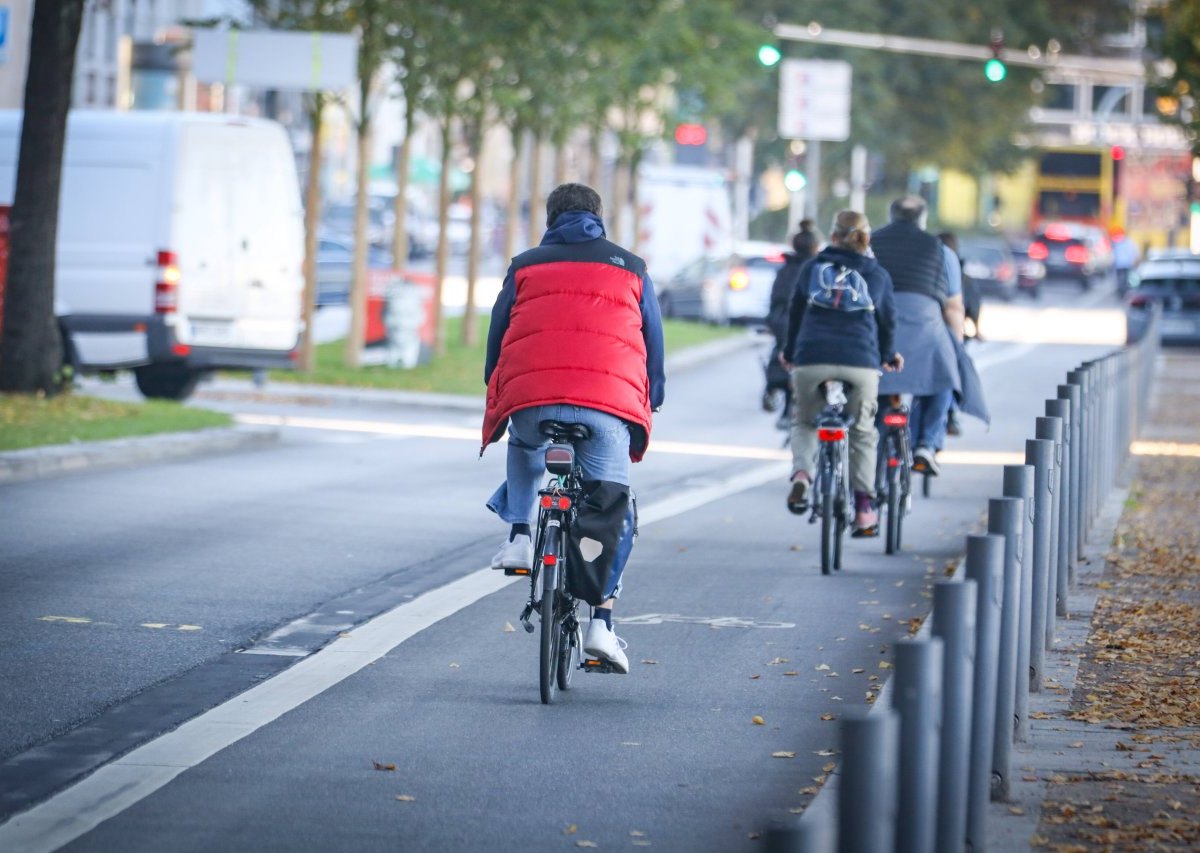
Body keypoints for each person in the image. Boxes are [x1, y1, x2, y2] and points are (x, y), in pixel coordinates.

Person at [481, 183, 665, 674]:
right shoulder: (632, 267)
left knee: (524, 443)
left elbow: (498, 333)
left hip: (534, 399)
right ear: (599, 217)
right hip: (606, 405)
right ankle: (601, 625)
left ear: (549, 217)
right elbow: (653, 340)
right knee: (611, 507)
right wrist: (656, 393)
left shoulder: (524, 265)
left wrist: (496, 385)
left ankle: (521, 533)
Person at [783, 210, 902, 535]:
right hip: (860, 361)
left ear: (832, 237)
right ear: (866, 238)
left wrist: (790, 354)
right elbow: (887, 322)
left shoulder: (812, 268)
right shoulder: (877, 274)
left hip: (812, 359)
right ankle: (864, 509)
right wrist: (889, 355)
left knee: (806, 421)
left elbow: (794, 314)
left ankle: (803, 476)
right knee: (863, 431)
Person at [871, 196, 965, 476]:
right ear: (922, 220)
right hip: (926, 330)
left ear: (891, 217)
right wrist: (957, 347)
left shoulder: (871, 244)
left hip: (879, 332)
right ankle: (927, 442)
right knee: (944, 378)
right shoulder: (941, 251)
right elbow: (953, 307)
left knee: (873, 389)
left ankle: (870, 441)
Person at [764, 220, 822, 424]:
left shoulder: (785, 269)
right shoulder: (820, 270)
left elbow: (775, 300)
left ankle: (773, 391)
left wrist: (772, 323)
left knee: (781, 354)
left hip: (784, 325)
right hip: (810, 326)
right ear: (816, 247)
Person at [1111, 228, 1139, 297]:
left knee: (1126, 279)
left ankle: (1124, 291)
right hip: (1121, 264)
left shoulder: (1126, 242)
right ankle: (1122, 291)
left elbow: (1134, 252)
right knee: (1122, 279)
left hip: (1124, 264)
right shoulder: (1117, 243)